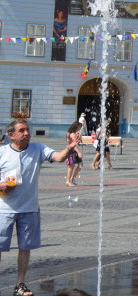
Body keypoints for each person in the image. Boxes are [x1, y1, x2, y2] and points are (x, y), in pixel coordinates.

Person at [0, 119, 81, 296]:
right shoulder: (2, 152)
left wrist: (70, 147)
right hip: (3, 209)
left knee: (25, 247)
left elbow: (59, 157)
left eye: (28, 130)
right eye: (22, 131)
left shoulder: (38, 149)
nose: (27, 133)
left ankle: (20, 284)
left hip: (29, 208)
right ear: (11, 135)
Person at [64, 122, 84, 187]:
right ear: (76, 127)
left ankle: (72, 178)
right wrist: (79, 152)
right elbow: (74, 145)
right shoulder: (72, 134)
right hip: (71, 152)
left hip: (73, 151)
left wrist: (79, 137)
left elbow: (77, 142)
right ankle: (68, 181)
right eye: (79, 127)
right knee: (71, 166)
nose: (80, 128)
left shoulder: (74, 134)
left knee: (80, 165)